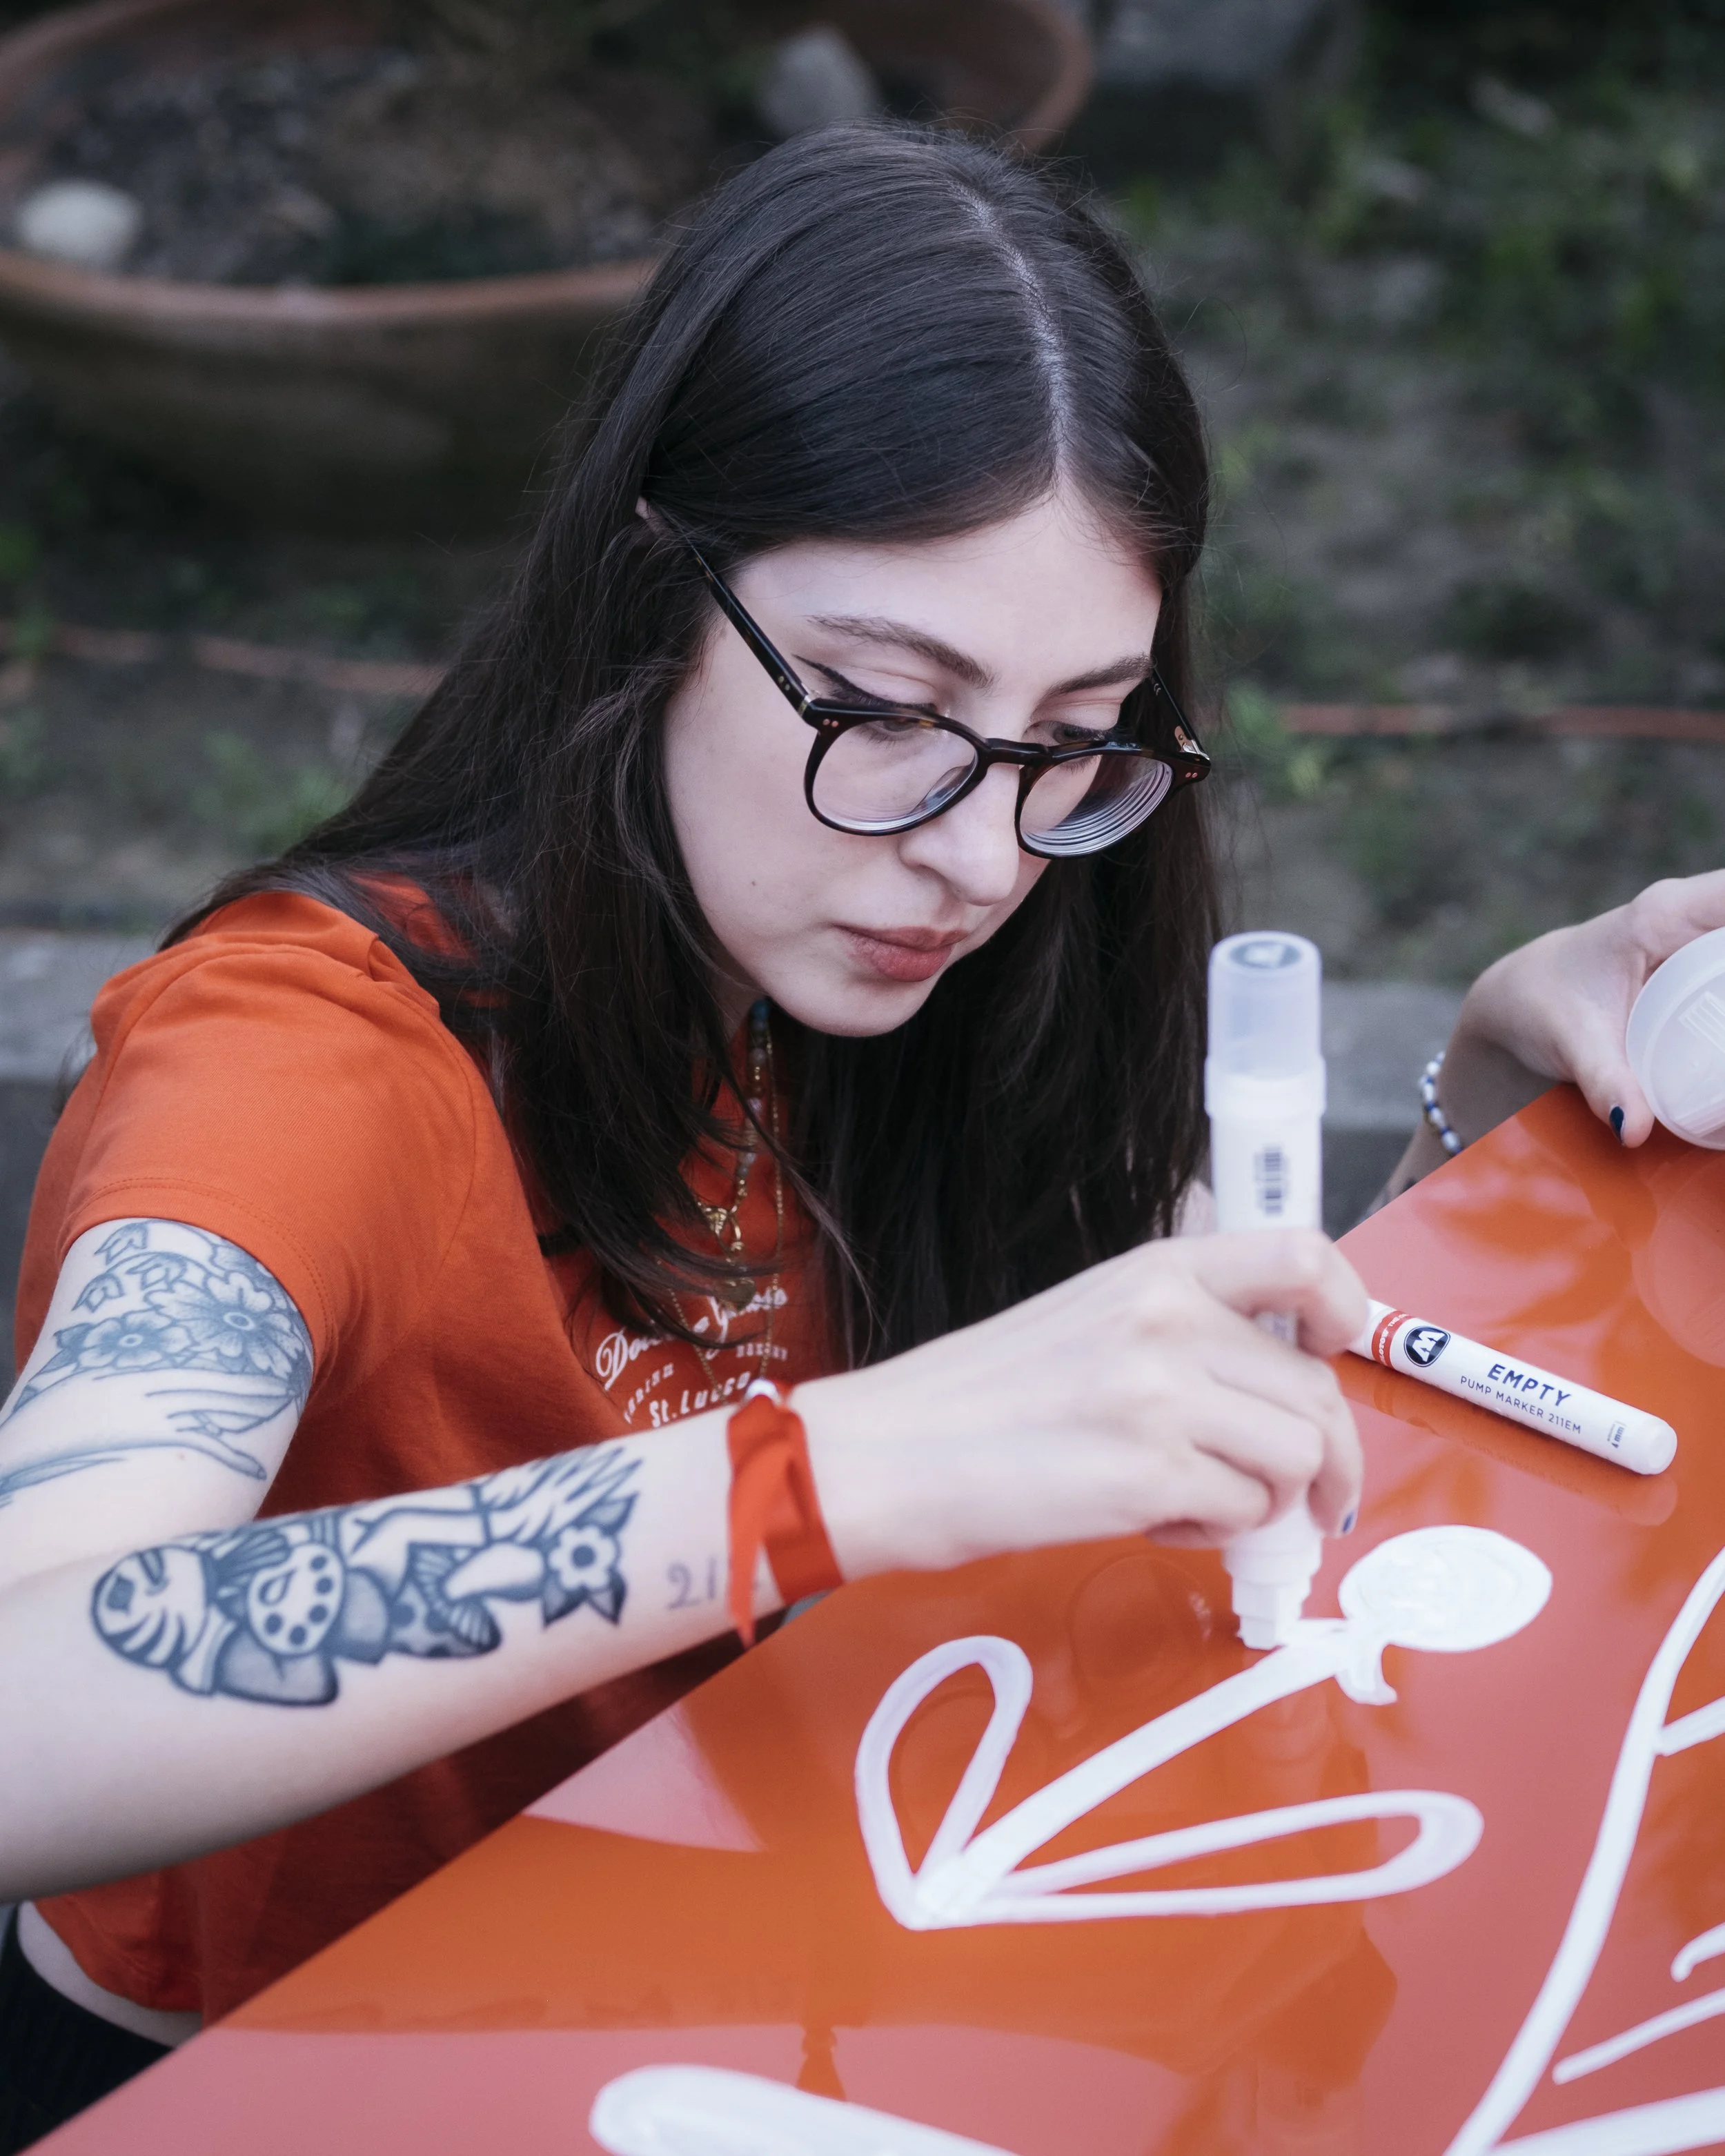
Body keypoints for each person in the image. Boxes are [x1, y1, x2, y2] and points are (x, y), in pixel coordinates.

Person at [0, 121, 1711, 2150]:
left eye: (1079, 735)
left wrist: (1494, 1103)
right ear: (648, 591)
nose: (987, 853)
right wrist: (817, 1476)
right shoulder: (296, 1060)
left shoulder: (928, 955)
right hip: (273, 2059)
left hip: (767, 1956)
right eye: (883, 706)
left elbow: (1186, 1403)